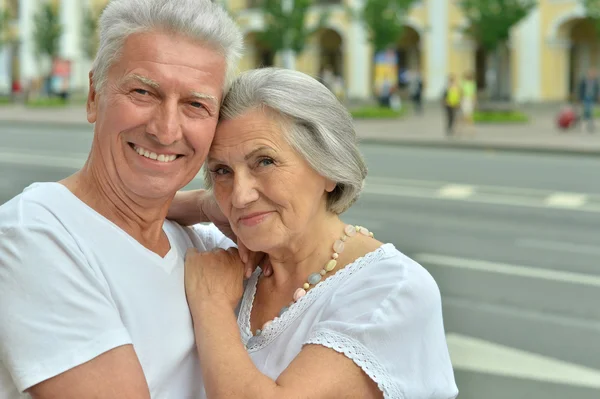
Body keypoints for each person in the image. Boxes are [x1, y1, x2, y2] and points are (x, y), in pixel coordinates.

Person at [0, 0, 264, 397]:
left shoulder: (196, 241)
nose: (166, 129)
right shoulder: (33, 237)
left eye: (195, 104)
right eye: (143, 92)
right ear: (94, 95)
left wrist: (207, 205)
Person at [180, 68, 459, 398]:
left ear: (328, 168)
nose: (240, 195)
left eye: (264, 162)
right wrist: (206, 205)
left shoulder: (391, 290)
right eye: (222, 171)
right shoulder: (224, 259)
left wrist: (211, 305)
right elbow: (124, 205)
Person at [578, 68, 599, 133]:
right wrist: (580, 99)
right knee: (586, 111)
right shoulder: (584, 81)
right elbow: (580, 90)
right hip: (585, 98)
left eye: (593, 74)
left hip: (592, 98)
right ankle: (583, 126)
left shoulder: (595, 82)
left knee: (592, 112)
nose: (592, 75)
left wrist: (597, 97)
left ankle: (592, 126)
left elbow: (597, 90)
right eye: (591, 73)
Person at [460, 71, 477, 135]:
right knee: (466, 115)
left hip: (467, 100)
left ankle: (470, 129)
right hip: (466, 99)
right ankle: (468, 129)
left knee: (467, 115)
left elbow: (473, 94)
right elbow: (462, 93)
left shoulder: (471, 84)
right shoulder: (465, 83)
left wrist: (474, 101)